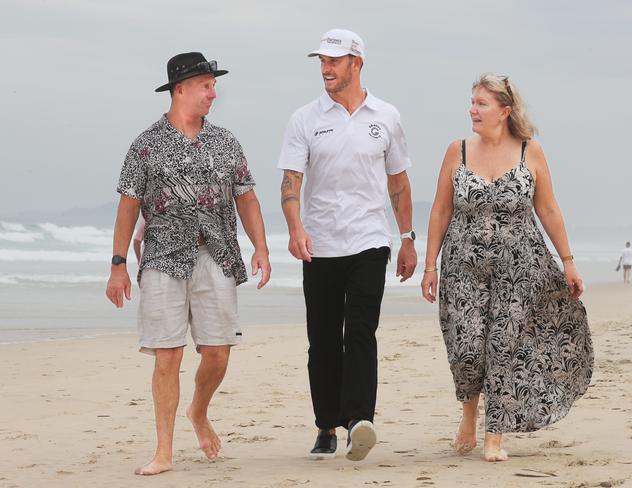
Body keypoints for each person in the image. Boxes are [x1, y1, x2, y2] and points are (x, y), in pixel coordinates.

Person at [105, 52, 271, 475]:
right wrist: (118, 264)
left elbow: (247, 198)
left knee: (217, 354)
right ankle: (164, 451)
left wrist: (262, 248)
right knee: (167, 357)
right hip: (162, 256)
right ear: (180, 89)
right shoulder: (146, 144)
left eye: (213, 85)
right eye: (205, 85)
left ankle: (198, 411)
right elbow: (128, 206)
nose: (213, 92)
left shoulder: (226, 141)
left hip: (216, 252)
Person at [421, 74, 593, 462]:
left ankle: (494, 434)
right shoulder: (457, 150)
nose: (472, 109)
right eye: (472, 102)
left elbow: (547, 208)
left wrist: (568, 261)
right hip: (462, 265)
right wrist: (430, 265)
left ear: (504, 110)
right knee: (466, 347)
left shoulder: (530, 152)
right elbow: (441, 209)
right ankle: (469, 413)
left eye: (481, 103)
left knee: (503, 347)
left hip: (521, 268)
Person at [278, 28, 417, 462]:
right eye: (322, 60)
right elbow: (290, 181)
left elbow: (398, 182)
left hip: (370, 241)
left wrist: (408, 238)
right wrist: (295, 226)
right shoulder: (305, 119)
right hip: (318, 245)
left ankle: (358, 420)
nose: (326, 68)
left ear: (357, 63)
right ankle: (326, 426)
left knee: (360, 331)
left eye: (334, 60)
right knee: (322, 339)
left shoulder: (386, 116)